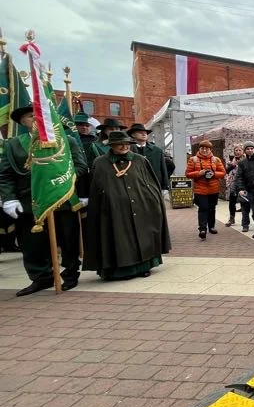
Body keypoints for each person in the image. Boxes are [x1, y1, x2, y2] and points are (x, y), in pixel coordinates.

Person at [0, 106, 88, 295]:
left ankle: (70, 274)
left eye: (41, 115)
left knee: (67, 240)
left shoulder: (66, 140)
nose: (36, 119)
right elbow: (5, 175)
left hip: (62, 199)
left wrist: (60, 181)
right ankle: (41, 278)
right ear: (23, 122)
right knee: (32, 245)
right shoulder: (13, 144)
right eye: (31, 116)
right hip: (30, 202)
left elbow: (81, 166)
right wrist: (9, 199)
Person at [83, 130, 171, 280]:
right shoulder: (101, 162)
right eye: (119, 144)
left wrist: (153, 201)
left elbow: (150, 182)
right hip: (113, 210)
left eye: (126, 143)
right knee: (118, 238)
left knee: (143, 235)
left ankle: (144, 267)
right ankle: (118, 271)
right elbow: (96, 187)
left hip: (141, 206)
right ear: (112, 145)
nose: (124, 146)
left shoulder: (140, 160)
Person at [186, 140, 226, 239]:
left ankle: (211, 226)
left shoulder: (216, 159)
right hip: (200, 189)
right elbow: (188, 174)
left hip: (213, 189)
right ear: (199, 149)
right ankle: (202, 229)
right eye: (202, 148)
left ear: (210, 149)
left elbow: (223, 172)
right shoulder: (193, 159)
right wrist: (199, 173)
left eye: (207, 148)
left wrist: (214, 174)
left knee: (212, 208)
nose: (204, 150)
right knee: (203, 208)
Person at [128, 123, 170, 195]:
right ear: (133, 135)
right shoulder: (128, 150)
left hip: (155, 186)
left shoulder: (157, 150)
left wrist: (165, 186)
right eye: (140, 132)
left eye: (145, 133)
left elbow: (163, 169)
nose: (144, 134)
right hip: (135, 187)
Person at [225, 143, 244, 227]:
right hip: (233, 183)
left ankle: (245, 221)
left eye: (240, 150)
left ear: (243, 151)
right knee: (232, 202)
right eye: (236, 150)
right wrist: (233, 165)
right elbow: (226, 171)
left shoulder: (246, 160)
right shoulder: (231, 160)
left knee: (244, 202)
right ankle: (232, 218)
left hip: (243, 183)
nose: (238, 152)